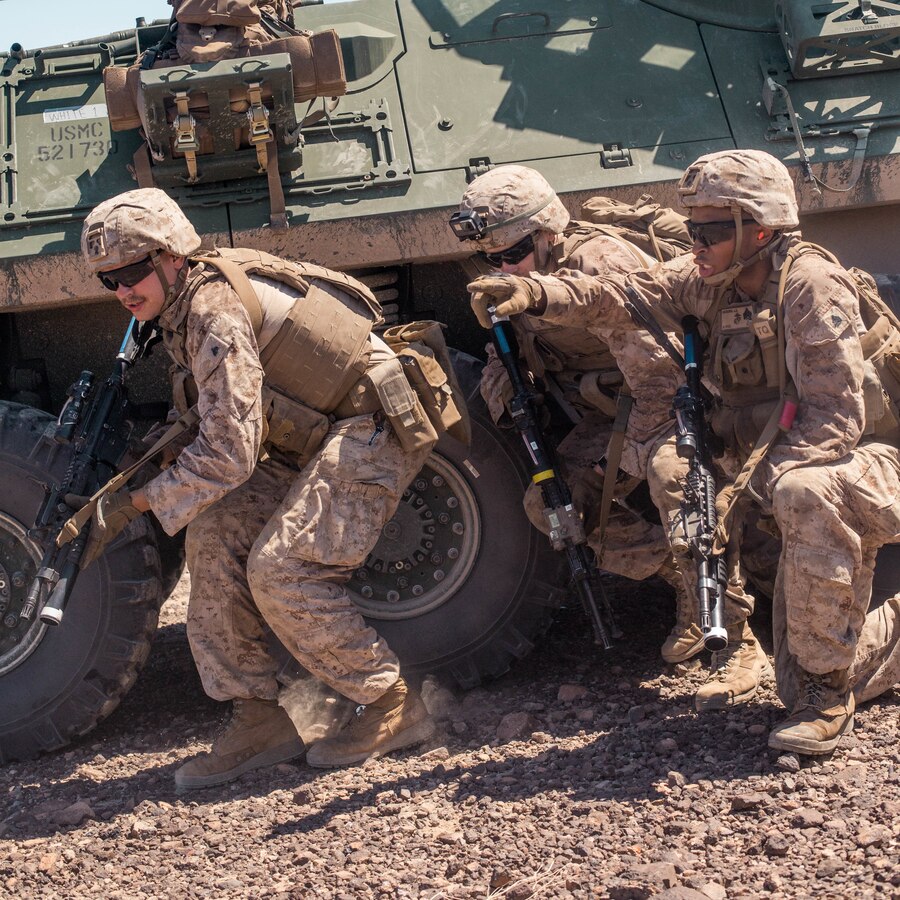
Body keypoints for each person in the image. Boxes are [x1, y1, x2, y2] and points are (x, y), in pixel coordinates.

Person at [467, 149, 900, 756]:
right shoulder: (708, 282)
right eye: (691, 229)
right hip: (787, 467)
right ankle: (828, 665)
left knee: (801, 491)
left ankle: (825, 700)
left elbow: (835, 422)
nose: (694, 243)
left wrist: (740, 491)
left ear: (761, 228)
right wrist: (534, 295)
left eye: (711, 232)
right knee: (788, 659)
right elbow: (621, 295)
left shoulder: (807, 284)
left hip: (872, 461)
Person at [79, 188, 438, 788]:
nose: (122, 290)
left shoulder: (211, 311)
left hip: (369, 423)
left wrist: (139, 503)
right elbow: (222, 426)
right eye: (108, 278)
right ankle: (258, 719)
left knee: (283, 567)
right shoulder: (180, 307)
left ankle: (390, 702)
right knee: (214, 535)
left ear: (173, 257)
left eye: (132, 271)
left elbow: (229, 452)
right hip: (307, 431)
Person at [450, 164, 737, 671]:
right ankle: (676, 572)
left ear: (547, 233)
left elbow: (660, 373)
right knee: (550, 507)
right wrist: (508, 400)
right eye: (490, 257)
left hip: (671, 403)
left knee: (674, 480)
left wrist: (623, 463)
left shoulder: (597, 263)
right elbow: (502, 356)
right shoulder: (514, 279)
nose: (503, 267)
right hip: (611, 415)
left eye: (513, 254)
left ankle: (727, 620)